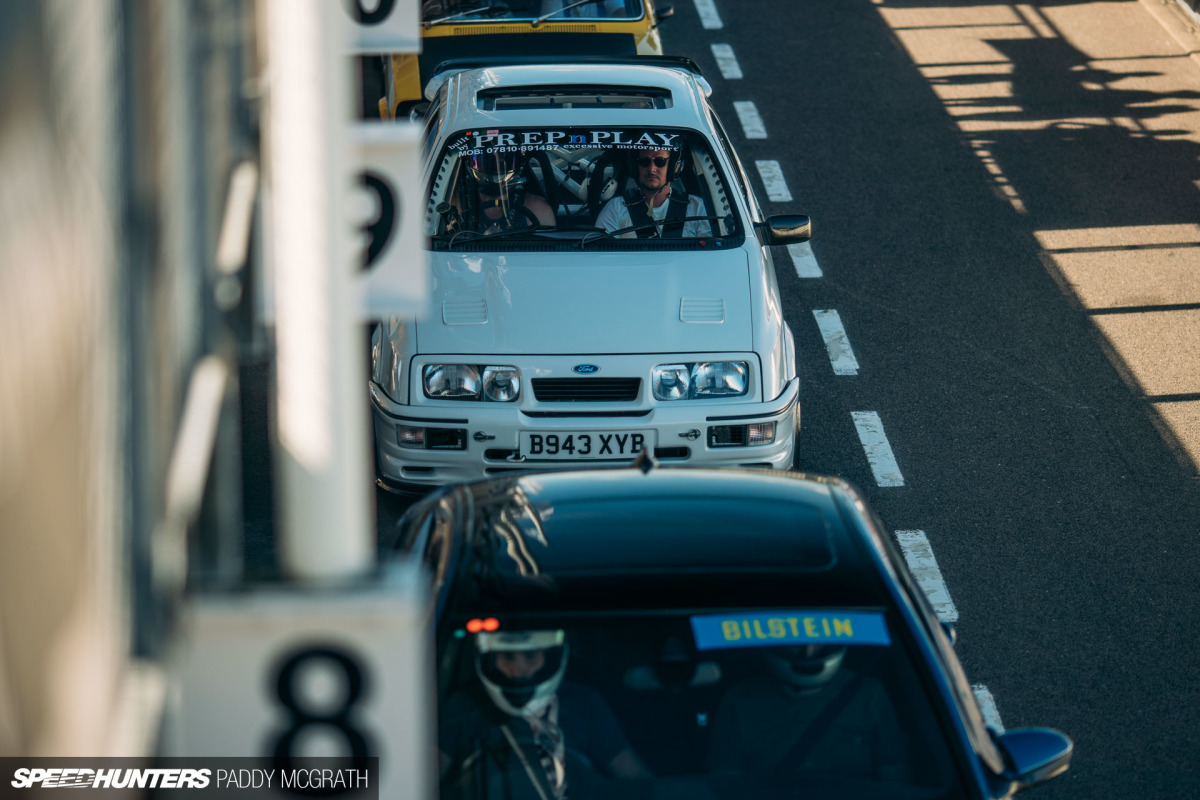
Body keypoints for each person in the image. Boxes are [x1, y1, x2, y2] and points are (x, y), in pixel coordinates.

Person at [439, 629, 652, 799]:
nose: (517, 669)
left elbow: (637, 783)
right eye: (507, 657)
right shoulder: (464, 707)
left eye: (530, 656)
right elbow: (418, 783)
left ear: (550, 657)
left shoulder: (582, 704)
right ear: (490, 659)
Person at [707, 644, 910, 782]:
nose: (808, 651)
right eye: (795, 641)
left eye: (818, 638)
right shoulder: (740, 699)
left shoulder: (869, 694)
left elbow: (894, 777)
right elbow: (725, 782)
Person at [594, 148, 710, 239]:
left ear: (673, 167)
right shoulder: (616, 208)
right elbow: (602, 257)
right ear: (636, 167)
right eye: (644, 161)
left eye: (660, 161)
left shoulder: (696, 208)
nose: (651, 169)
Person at [458, 150, 556, 234]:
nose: (496, 164)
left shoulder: (537, 208)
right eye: (488, 158)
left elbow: (549, 252)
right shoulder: (457, 206)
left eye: (502, 157)